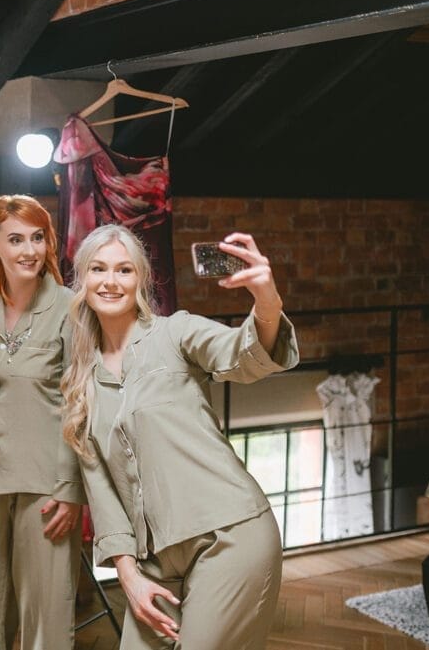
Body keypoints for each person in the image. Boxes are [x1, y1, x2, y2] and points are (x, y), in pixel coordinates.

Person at [61, 224, 299, 650]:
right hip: (154, 564)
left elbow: (243, 354)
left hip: (230, 535)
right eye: (98, 269)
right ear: (83, 281)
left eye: (124, 270)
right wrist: (129, 576)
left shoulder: (175, 333)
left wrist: (267, 298)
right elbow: (102, 494)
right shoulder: (80, 380)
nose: (110, 281)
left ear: (141, 281)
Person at [0, 195, 85, 650]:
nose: (29, 250)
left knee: (45, 614)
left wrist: (71, 490)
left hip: (46, 486)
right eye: (15, 239)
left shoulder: (71, 308)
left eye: (37, 238)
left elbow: (81, 403)